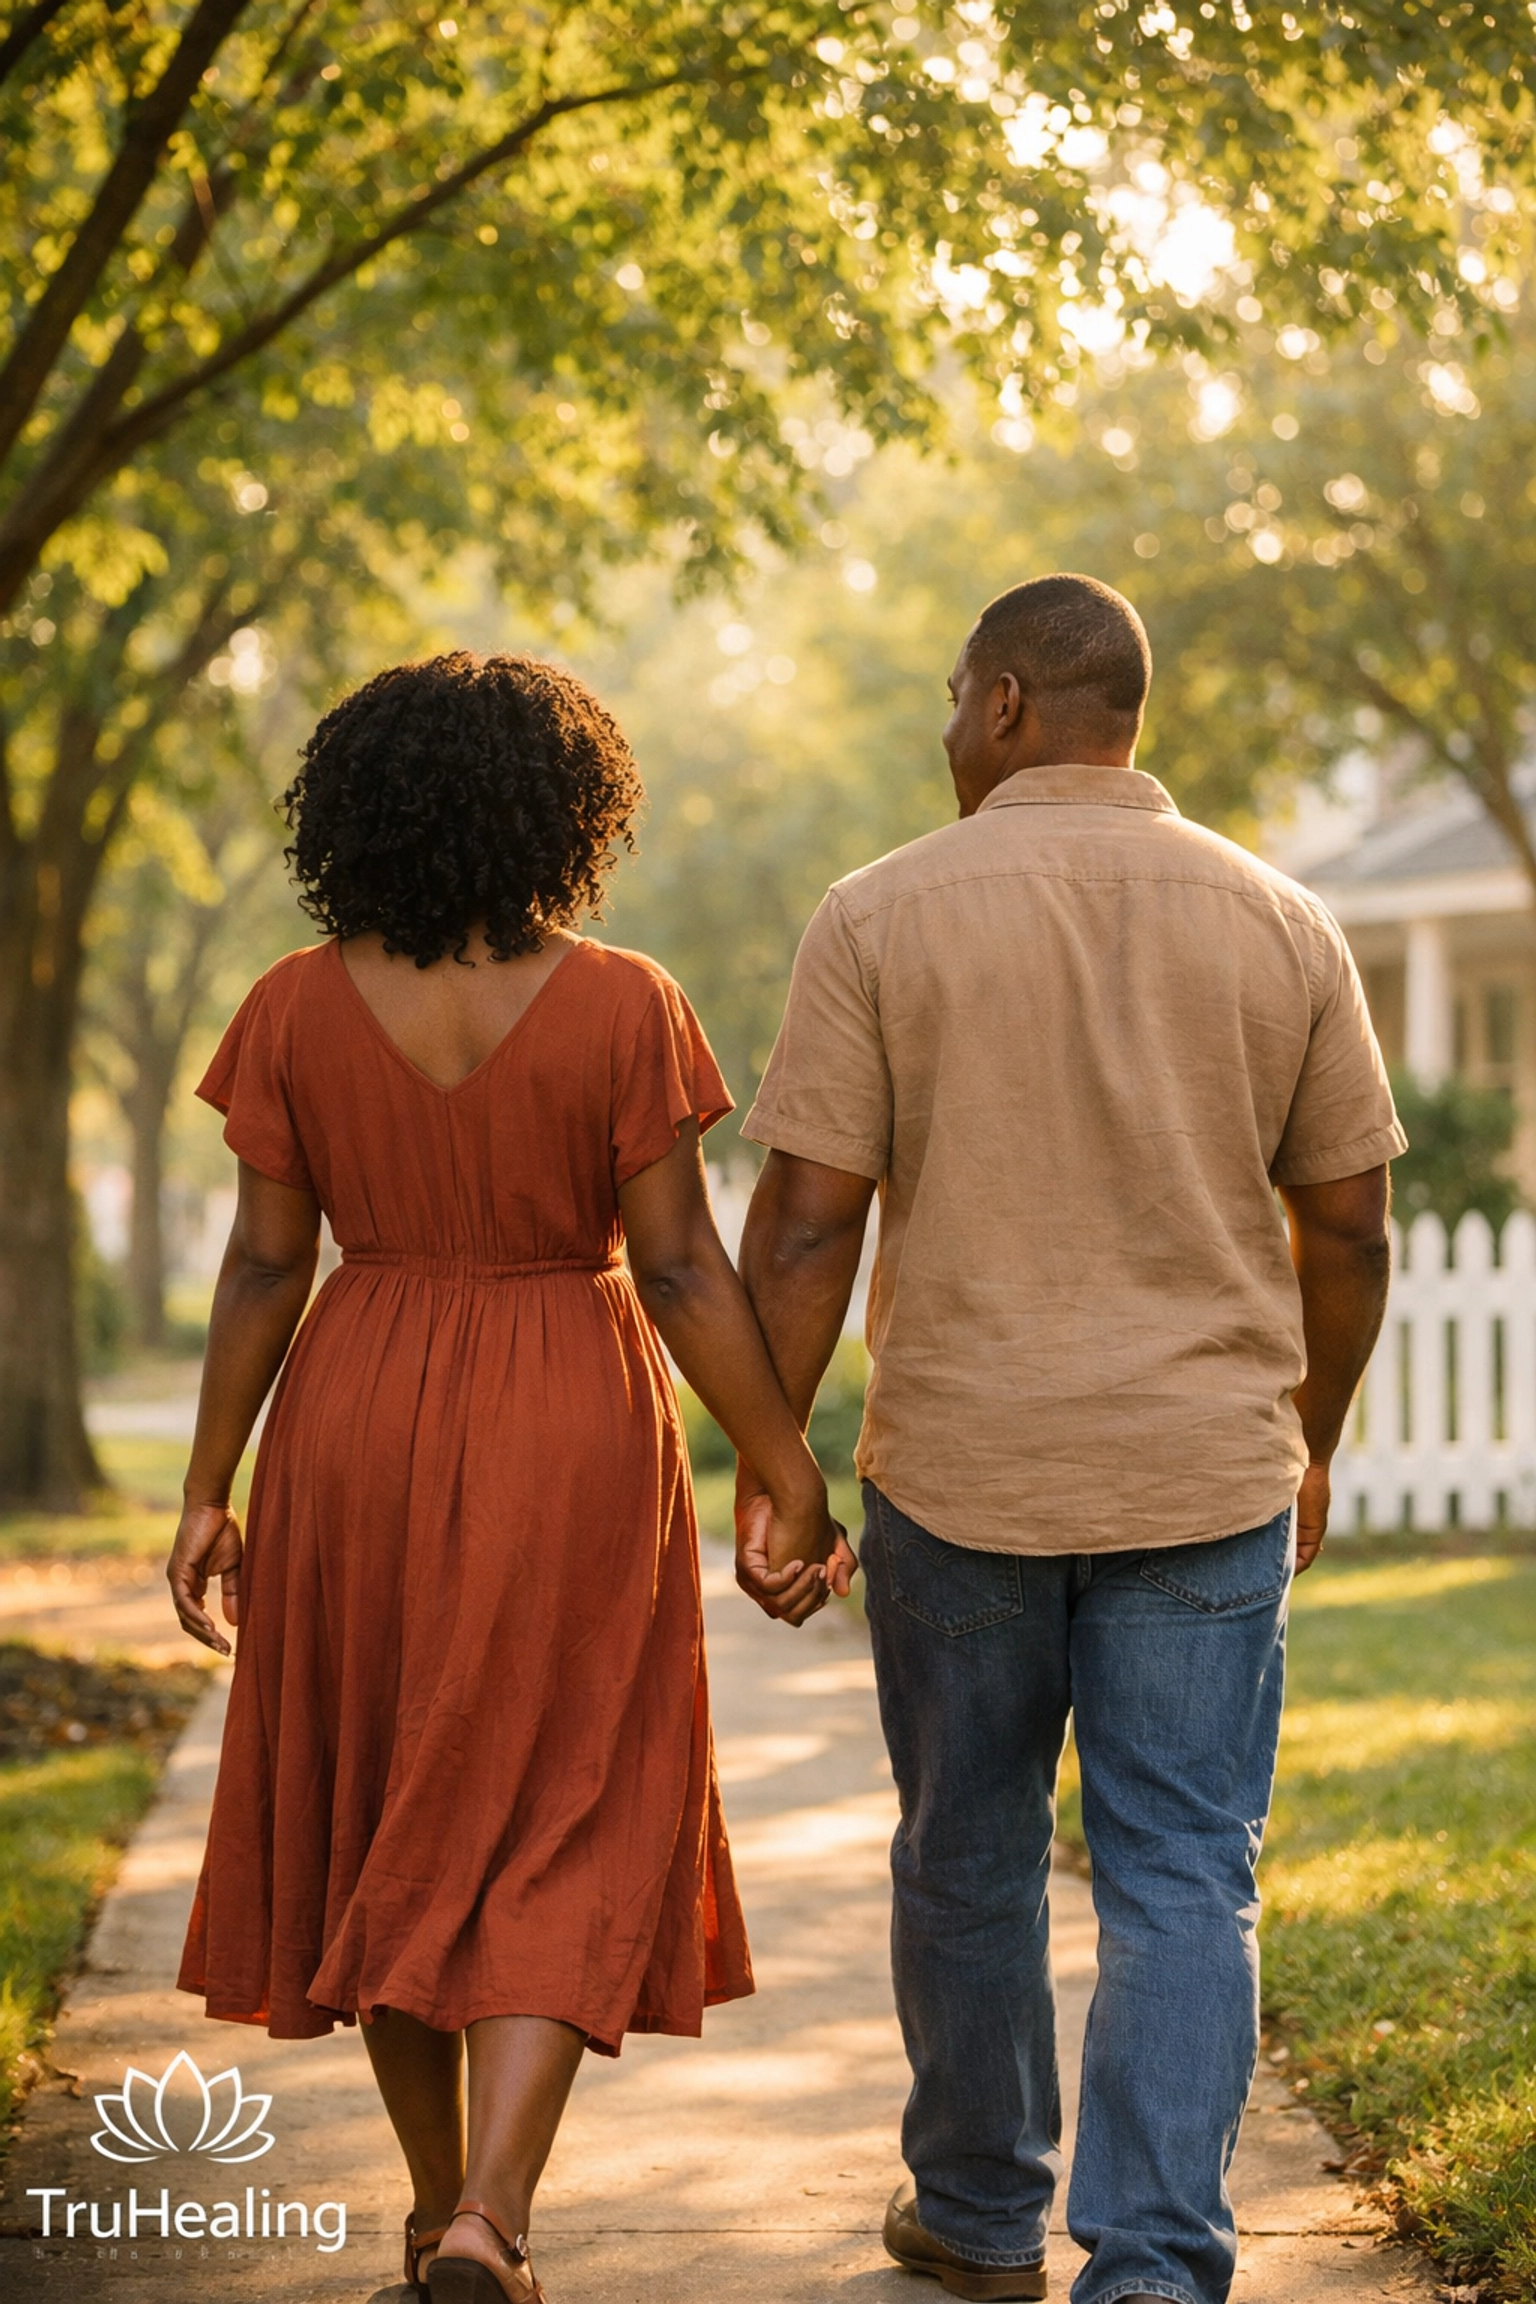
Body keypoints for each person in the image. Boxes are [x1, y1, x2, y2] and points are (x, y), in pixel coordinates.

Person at [733, 575, 1403, 2304]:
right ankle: (1158, 2264)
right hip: (1202, 1476)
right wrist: (1308, 1432)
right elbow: (1350, 1228)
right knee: (1185, 1869)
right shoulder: (1283, 920)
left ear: (1014, 703)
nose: (946, 729)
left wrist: (770, 1460)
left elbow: (807, 1225)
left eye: (958, 697)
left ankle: (972, 2213)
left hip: (962, 1475)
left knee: (965, 1853)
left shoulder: (877, 914)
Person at [166, 651, 849, 2304]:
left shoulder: (292, 1004)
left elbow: (265, 1268)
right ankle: (494, 2216)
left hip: (356, 1411)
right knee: (564, 1804)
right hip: (569, 1412)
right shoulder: (626, 1003)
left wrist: (209, 1486)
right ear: (567, 812)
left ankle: (426, 2214)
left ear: (356, 815)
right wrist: (787, 1468)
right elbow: (684, 1270)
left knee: (392, 1796)